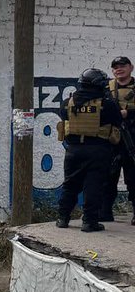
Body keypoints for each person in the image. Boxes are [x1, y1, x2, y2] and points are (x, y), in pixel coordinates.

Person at [57, 67, 123, 232]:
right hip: (98, 150)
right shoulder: (107, 104)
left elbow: (63, 117)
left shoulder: (67, 103)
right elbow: (117, 121)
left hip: (73, 151)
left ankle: (62, 218)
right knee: (93, 186)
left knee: (70, 185)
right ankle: (89, 222)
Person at [105, 54, 135, 224]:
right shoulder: (106, 88)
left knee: (133, 178)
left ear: (131, 68)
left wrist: (128, 113)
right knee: (108, 177)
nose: (119, 69)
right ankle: (105, 212)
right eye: (115, 67)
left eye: (123, 66)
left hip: (132, 139)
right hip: (113, 140)